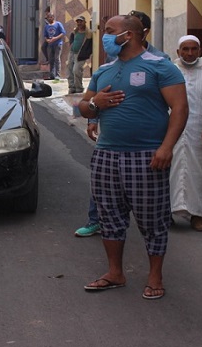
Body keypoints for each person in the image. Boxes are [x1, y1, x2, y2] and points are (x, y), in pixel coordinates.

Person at [78, 15, 187, 300]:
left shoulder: (160, 65)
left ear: (128, 35)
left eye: (109, 31)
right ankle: (115, 273)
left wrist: (166, 148)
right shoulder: (104, 70)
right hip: (106, 154)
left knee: (152, 219)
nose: (104, 36)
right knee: (109, 216)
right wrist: (94, 104)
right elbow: (83, 106)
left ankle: (155, 276)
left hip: (147, 156)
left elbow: (180, 108)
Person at [170, 35, 202, 232]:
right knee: (170, 171)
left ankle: (198, 215)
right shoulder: (171, 71)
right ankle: (167, 213)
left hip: (200, 130)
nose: (189, 53)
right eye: (185, 49)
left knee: (200, 172)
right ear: (178, 52)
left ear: (200, 50)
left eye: (193, 49)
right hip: (173, 130)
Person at [73, 120, 100, 237]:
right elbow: (91, 106)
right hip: (108, 142)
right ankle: (96, 220)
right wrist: (93, 120)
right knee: (98, 180)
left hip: (143, 142)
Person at [67, 15, 93, 94]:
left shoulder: (88, 33)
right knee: (70, 70)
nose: (79, 23)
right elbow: (71, 37)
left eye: (81, 21)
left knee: (76, 70)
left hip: (80, 54)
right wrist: (71, 44)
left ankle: (79, 88)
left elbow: (90, 44)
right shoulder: (75, 31)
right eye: (78, 22)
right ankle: (72, 87)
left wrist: (86, 53)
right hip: (72, 53)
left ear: (85, 22)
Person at [43, 13, 66, 80]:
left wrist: (55, 38)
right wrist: (47, 40)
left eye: (50, 17)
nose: (49, 19)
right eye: (48, 18)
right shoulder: (46, 26)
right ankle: (52, 75)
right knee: (51, 59)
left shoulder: (58, 24)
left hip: (58, 44)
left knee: (57, 58)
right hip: (50, 44)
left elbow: (63, 33)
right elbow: (45, 35)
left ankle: (58, 75)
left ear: (53, 17)